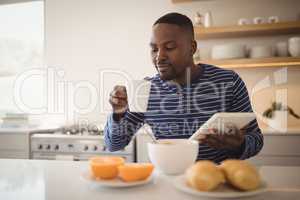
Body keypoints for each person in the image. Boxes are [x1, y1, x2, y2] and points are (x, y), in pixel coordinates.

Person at [104, 12, 263, 163]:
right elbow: (114, 145)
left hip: (215, 183)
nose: (159, 57)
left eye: (170, 47)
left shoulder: (229, 81)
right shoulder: (144, 90)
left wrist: (240, 144)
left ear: (192, 48)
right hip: (168, 181)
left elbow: (256, 140)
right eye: (154, 49)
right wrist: (118, 114)